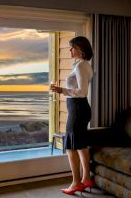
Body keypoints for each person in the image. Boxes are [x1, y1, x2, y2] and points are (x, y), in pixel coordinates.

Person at [50, 36, 94, 195]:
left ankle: (76, 182)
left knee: (70, 146)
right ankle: (86, 179)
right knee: (81, 145)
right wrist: (63, 91)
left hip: (78, 110)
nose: (70, 50)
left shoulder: (81, 67)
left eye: (72, 47)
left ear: (80, 50)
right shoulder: (84, 65)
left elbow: (82, 92)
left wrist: (62, 90)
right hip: (80, 109)